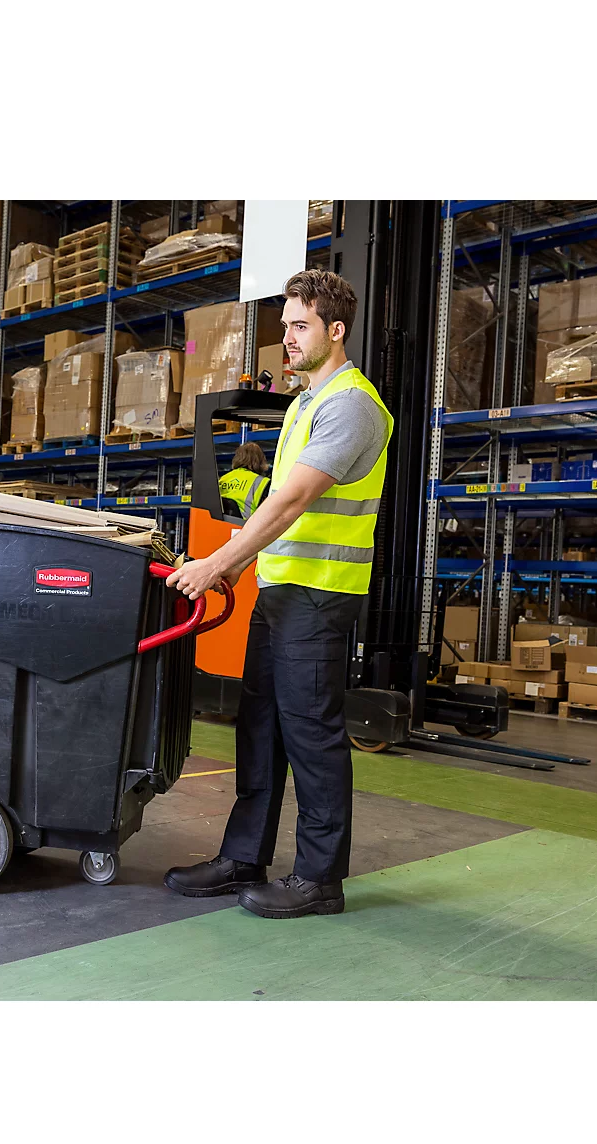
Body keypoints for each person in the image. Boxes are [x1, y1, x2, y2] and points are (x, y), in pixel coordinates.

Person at [163, 268, 393, 919]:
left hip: (320, 597)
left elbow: (293, 500)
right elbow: (275, 506)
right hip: (281, 590)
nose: (286, 338)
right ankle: (244, 857)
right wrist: (239, 568)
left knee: (311, 735)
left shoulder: (351, 405)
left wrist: (217, 563)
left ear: (335, 329)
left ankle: (320, 878)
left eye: (299, 326)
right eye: (285, 325)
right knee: (257, 726)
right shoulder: (301, 406)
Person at [218, 440, 270, 520]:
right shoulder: (263, 482)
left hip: (220, 525)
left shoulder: (223, 479)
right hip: (246, 528)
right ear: (260, 460)